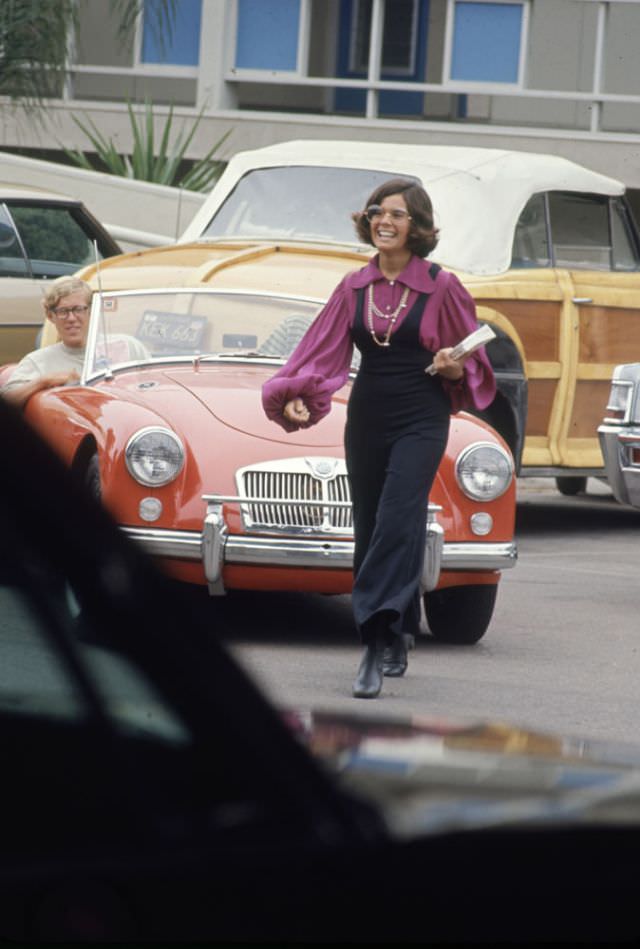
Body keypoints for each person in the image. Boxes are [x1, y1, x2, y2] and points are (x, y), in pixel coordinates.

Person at [262, 178, 496, 699]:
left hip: (423, 412)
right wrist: (299, 393)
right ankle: (397, 627)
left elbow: (473, 363)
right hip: (368, 411)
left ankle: (371, 639)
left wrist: (453, 368)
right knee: (373, 524)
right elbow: (318, 352)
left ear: (418, 226)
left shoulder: (442, 285)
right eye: (375, 212)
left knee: (397, 515)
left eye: (395, 213)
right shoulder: (354, 286)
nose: (382, 220)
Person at [2, 276, 92, 408]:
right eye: (63, 311)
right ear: (50, 316)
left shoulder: (124, 346)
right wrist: (44, 381)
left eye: (78, 309)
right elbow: (6, 402)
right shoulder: (38, 361)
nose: (72, 318)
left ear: (90, 310)